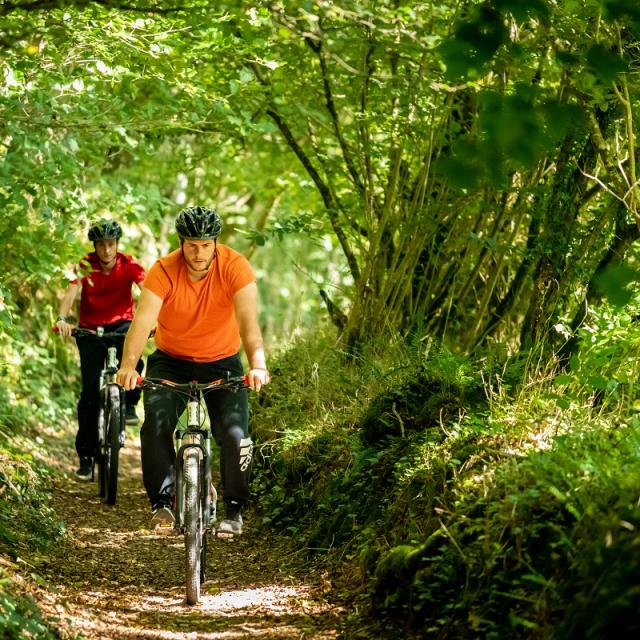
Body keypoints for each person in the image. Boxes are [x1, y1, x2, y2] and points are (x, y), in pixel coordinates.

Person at [116, 206, 270, 537]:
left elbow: (248, 322)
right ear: (181, 243)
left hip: (223, 360)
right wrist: (129, 364)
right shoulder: (163, 271)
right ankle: (161, 506)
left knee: (235, 435)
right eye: (191, 245)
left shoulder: (235, 267)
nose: (198, 253)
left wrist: (257, 363)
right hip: (171, 360)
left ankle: (234, 510)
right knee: (155, 426)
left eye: (205, 244)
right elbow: (143, 323)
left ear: (216, 243)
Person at [56, 219, 146, 480]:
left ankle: (129, 404)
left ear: (117, 244)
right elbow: (72, 291)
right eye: (101, 245)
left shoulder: (129, 264)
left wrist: (152, 322)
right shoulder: (86, 265)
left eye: (110, 244)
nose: (106, 250)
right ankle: (86, 457)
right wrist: (63, 318)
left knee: (134, 358)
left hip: (122, 325)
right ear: (94, 246)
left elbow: (148, 289)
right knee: (89, 395)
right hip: (90, 330)